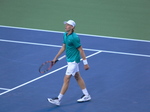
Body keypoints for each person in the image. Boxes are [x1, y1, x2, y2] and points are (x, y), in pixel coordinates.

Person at [47, 20, 91, 106]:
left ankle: (58, 99)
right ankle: (87, 95)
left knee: (66, 79)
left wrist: (85, 63)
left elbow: (81, 50)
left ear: (72, 27)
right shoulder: (64, 35)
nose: (65, 26)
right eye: (66, 25)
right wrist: (55, 58)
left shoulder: (75, 37)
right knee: (77, 77)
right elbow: (63, 47)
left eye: (68, 25)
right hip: (69, 60)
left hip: (74, 60)